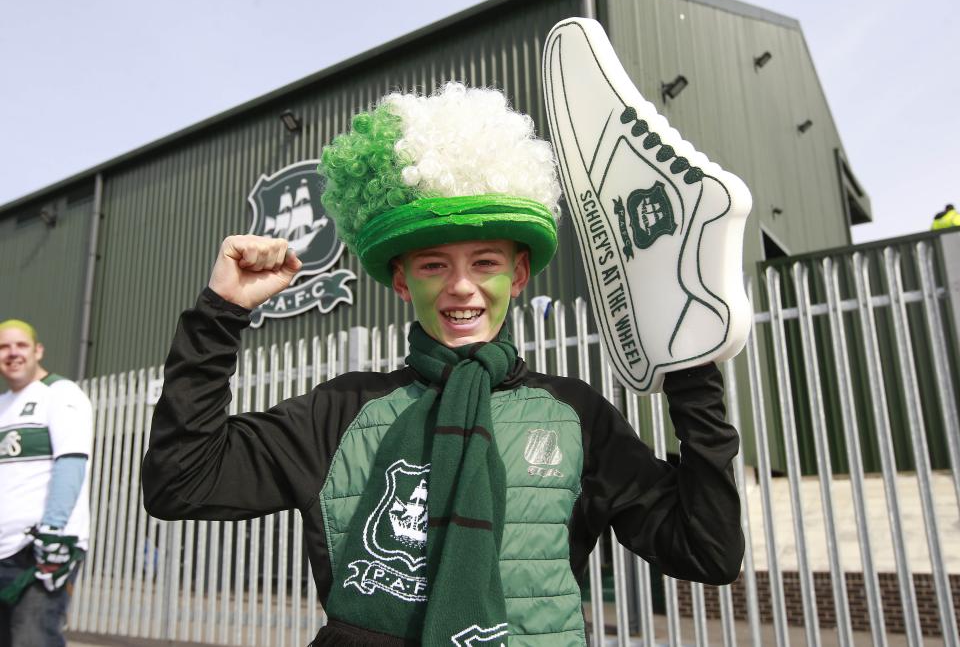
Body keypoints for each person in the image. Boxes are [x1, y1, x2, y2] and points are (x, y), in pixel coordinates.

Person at [142, 83, 743, 646]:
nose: (462, 287)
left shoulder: (575, 415)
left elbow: (707, 552)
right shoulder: (341, 412)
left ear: (519, 273)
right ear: (402, 281)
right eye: (433, 266)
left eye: (485, 262)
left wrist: (692, 371)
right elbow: (181, 482)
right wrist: (221, 313)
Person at [0, 320, 92, 647]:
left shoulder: (60, 393)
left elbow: (71, 462)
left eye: (20, 345)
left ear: (38, 350)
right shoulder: (2, 407)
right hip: (3, 550)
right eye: (4, 347)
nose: (12, 353)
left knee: (32, 638)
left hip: (43, 551)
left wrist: (53, 530)